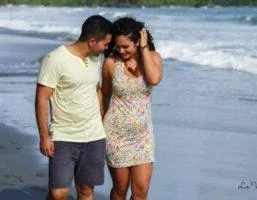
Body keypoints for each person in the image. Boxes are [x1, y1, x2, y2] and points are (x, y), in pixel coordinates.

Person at [35, 15, 112, 200]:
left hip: (94, 136)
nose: (107, 49)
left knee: (86, 191)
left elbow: (96, 88)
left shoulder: (95, 59)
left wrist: (102, 115)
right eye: (105, 44)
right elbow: (41, 99)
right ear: (92, 41)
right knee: (59, 193)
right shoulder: (55, 59)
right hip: (64, 136)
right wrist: (44, 136)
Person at [101, 17, 163, 200]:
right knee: (120, 189)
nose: (121, 50)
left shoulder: (153, 58)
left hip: (143, 136)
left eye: (125, 46)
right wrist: (99, 123)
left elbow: (153, 79)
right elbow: (104, 95)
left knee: (141, 191)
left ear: (138, 41)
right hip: (116, 135)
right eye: (117, 46)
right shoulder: (111, 63)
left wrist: (144, 49)